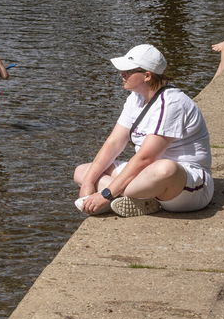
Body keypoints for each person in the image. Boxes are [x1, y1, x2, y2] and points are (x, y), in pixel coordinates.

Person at [74, 44, 213, 217]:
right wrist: (88, 182)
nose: (121, 74)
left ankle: (125, 196)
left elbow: (146, 158)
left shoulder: (172, 103)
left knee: (165, 168)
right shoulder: (135, 98)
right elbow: (114, 143)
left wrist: (106, 194)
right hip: (146, 176)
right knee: (82, 171)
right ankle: (142, 198)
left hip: (186, 185)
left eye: (128, 71)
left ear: (147, 75)